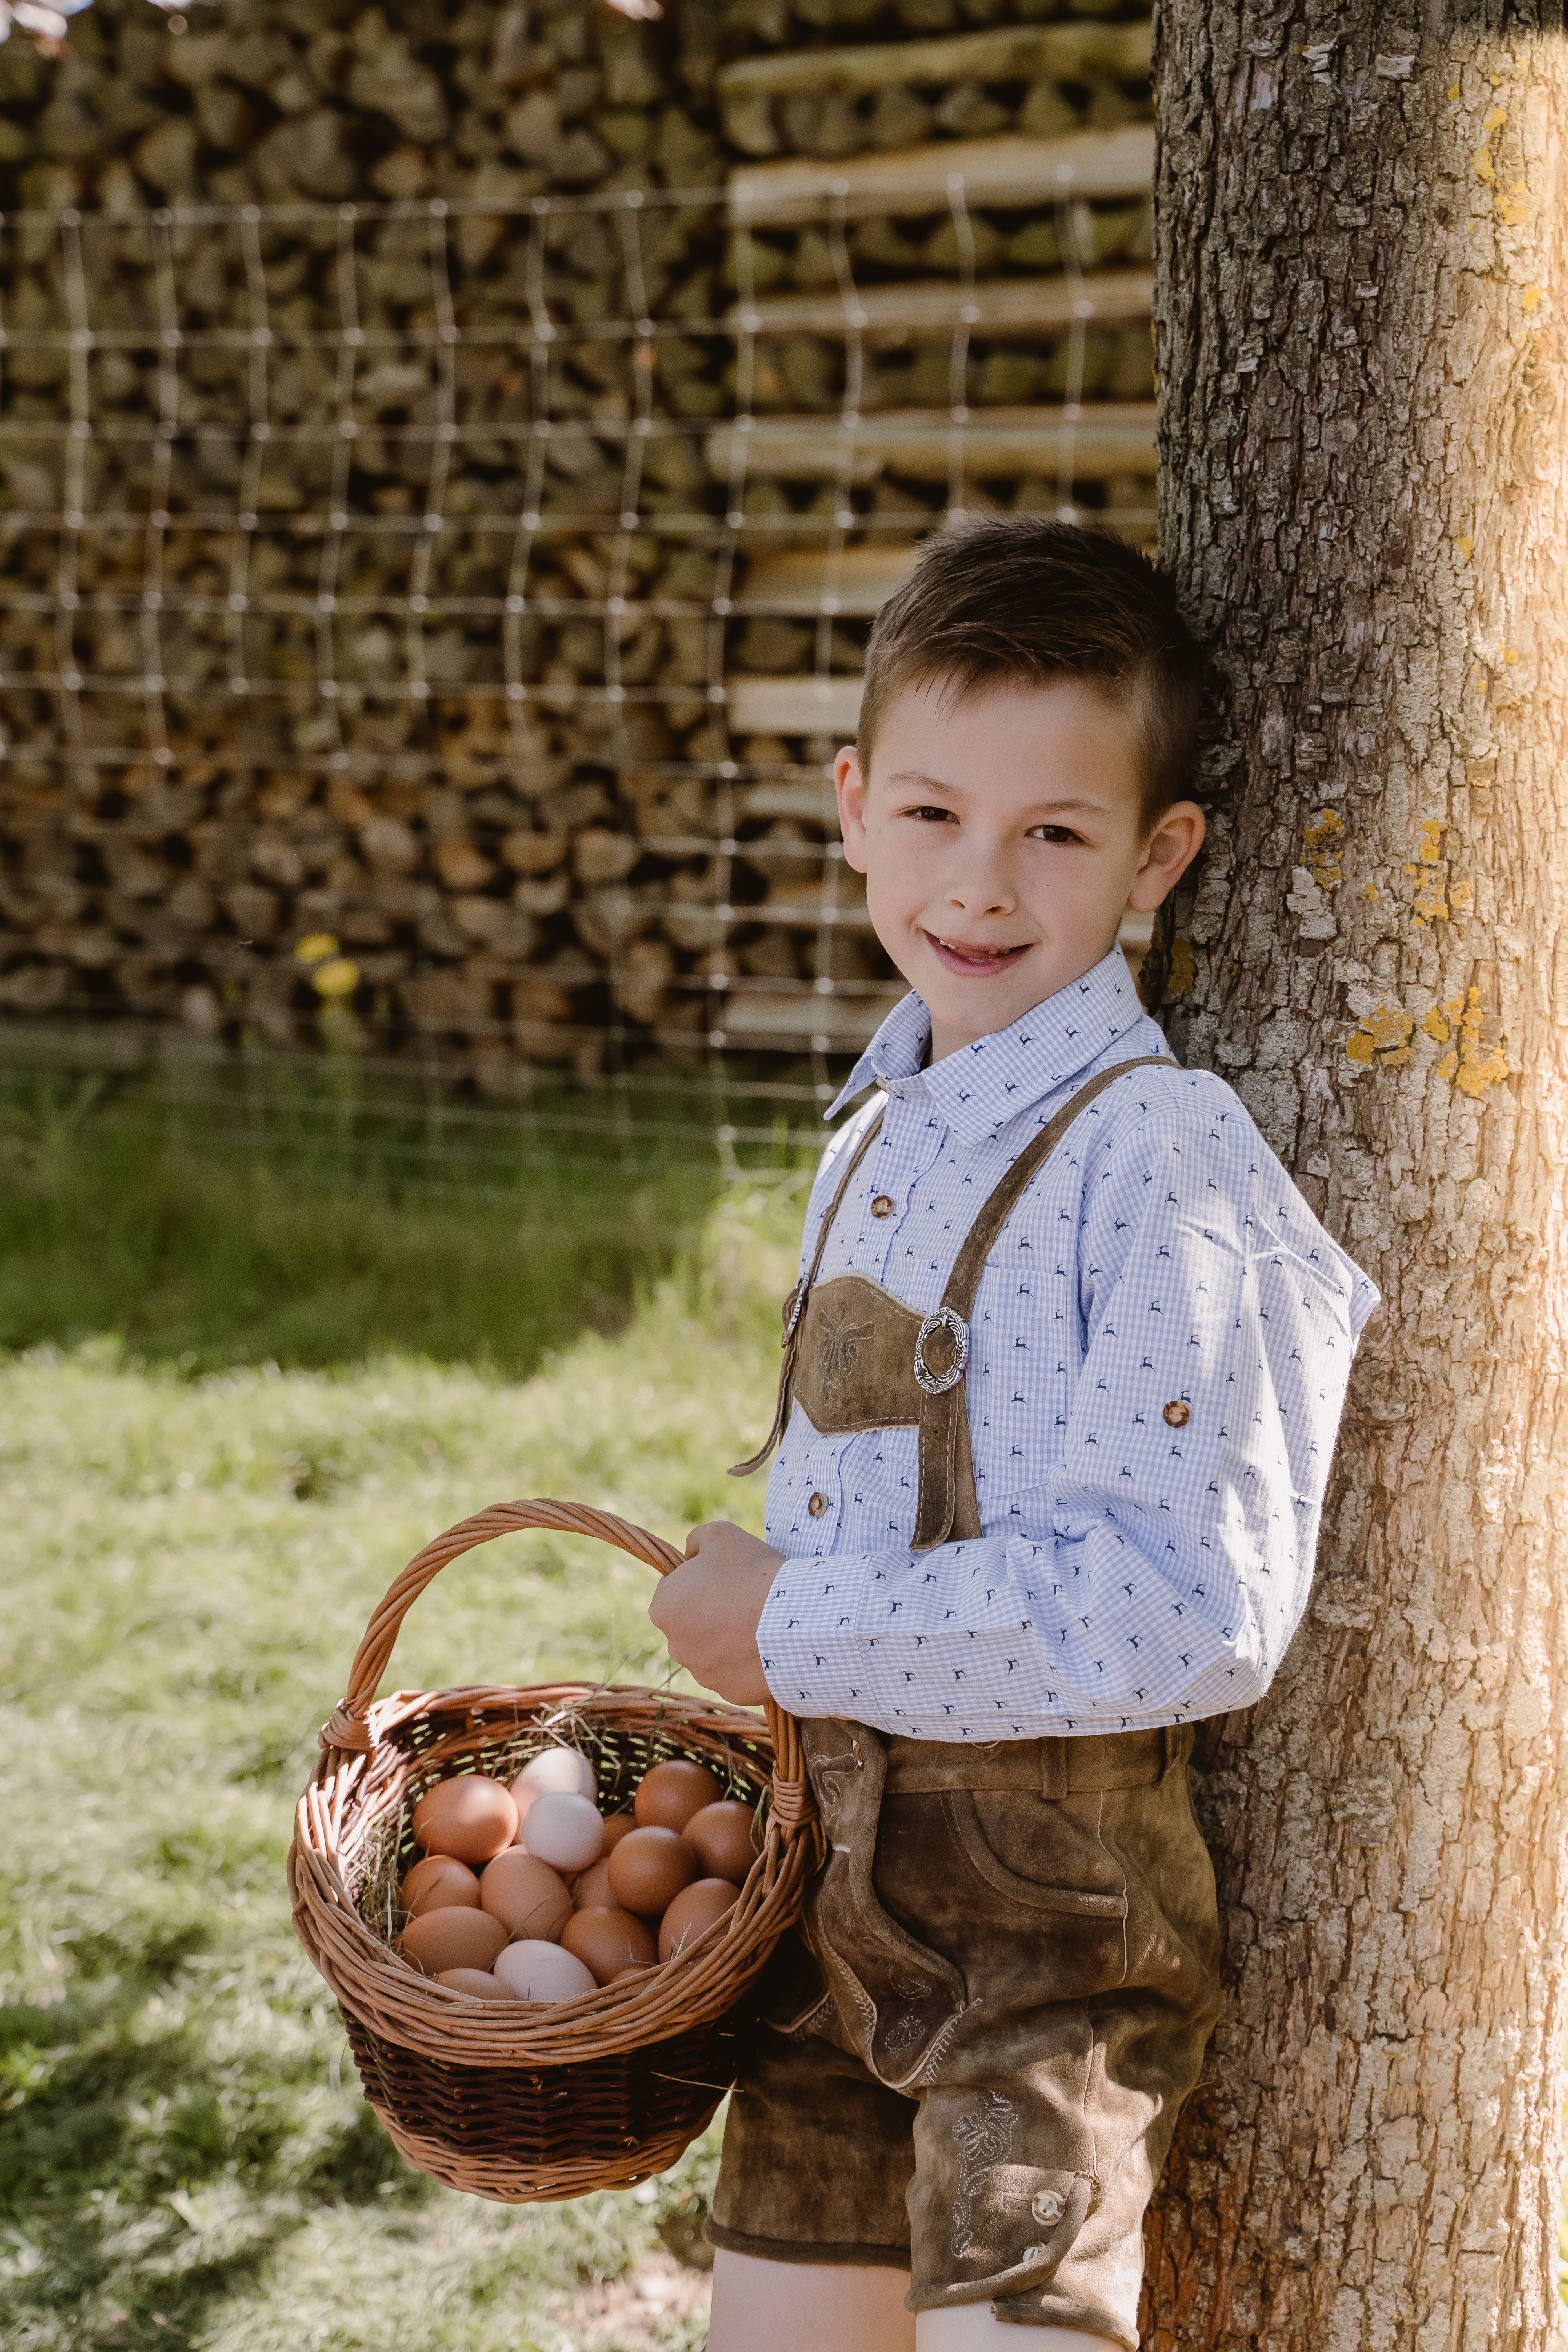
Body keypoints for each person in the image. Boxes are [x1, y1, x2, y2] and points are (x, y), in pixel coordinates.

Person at [647, 517, 1379, 2351]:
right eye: (930, 815)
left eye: (1052, 833)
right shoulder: (876, 1135)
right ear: (850, 805)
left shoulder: (1166, 1163)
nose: (977, 882)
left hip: (1041, 1950)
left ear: (1158, 857)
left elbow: (1191, 1602)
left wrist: (792, 1627)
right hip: (824, 1923)